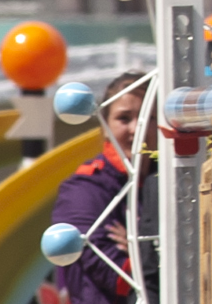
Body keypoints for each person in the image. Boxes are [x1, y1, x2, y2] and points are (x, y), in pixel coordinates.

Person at [50, 71, 160, 302]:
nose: (135, 130)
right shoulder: (83, 189)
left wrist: (138, 243)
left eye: (147, 117)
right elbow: (118, 278)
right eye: (124, 118)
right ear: (105, 126)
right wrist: (157, 245)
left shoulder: (169, 180)